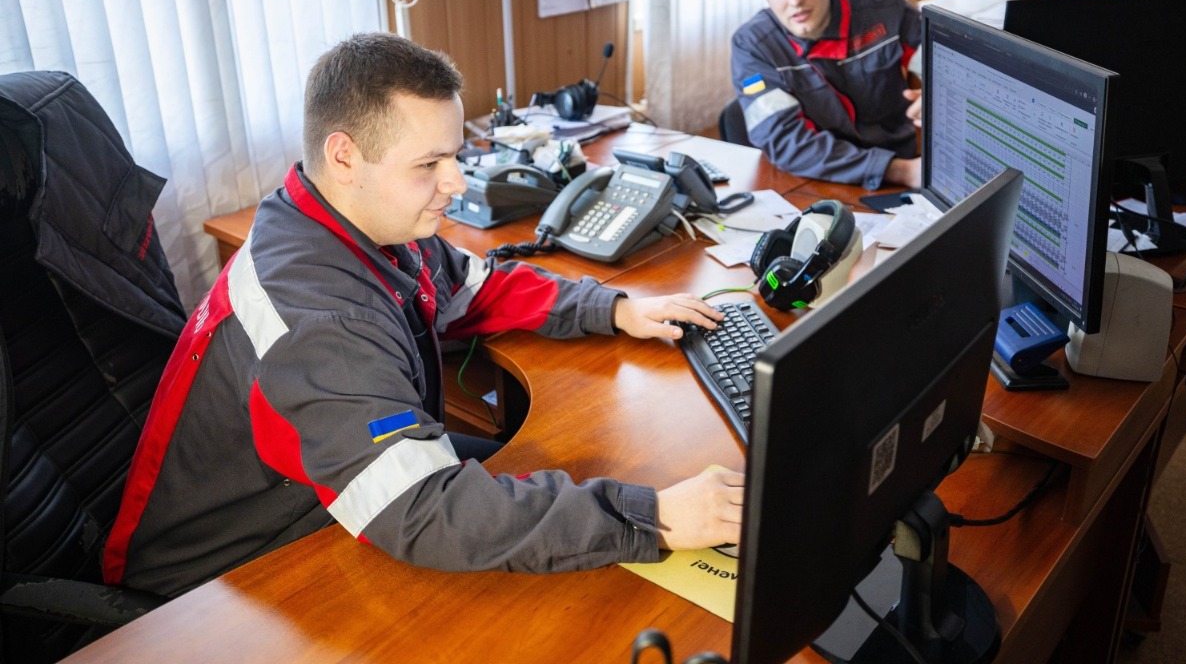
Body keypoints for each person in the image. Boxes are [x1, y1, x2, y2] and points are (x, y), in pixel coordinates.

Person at [103, 32, 744, 598]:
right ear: (344, 156)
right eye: (429, 164)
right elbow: (419, 511)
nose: (456, 182)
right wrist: (654, 518)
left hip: (324, 492)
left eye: (454, 156)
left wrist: (615, 307)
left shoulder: (352, 221)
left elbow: (474, 287)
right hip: (224, 575)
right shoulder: (319, 320)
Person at [731, 0, 923, 190]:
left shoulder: (887, 13)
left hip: (904, 179)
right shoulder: (752, 48)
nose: (795, 0)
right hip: (813, 183)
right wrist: (900, 171)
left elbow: (951, 65)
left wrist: (939, 94)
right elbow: (786, 141)